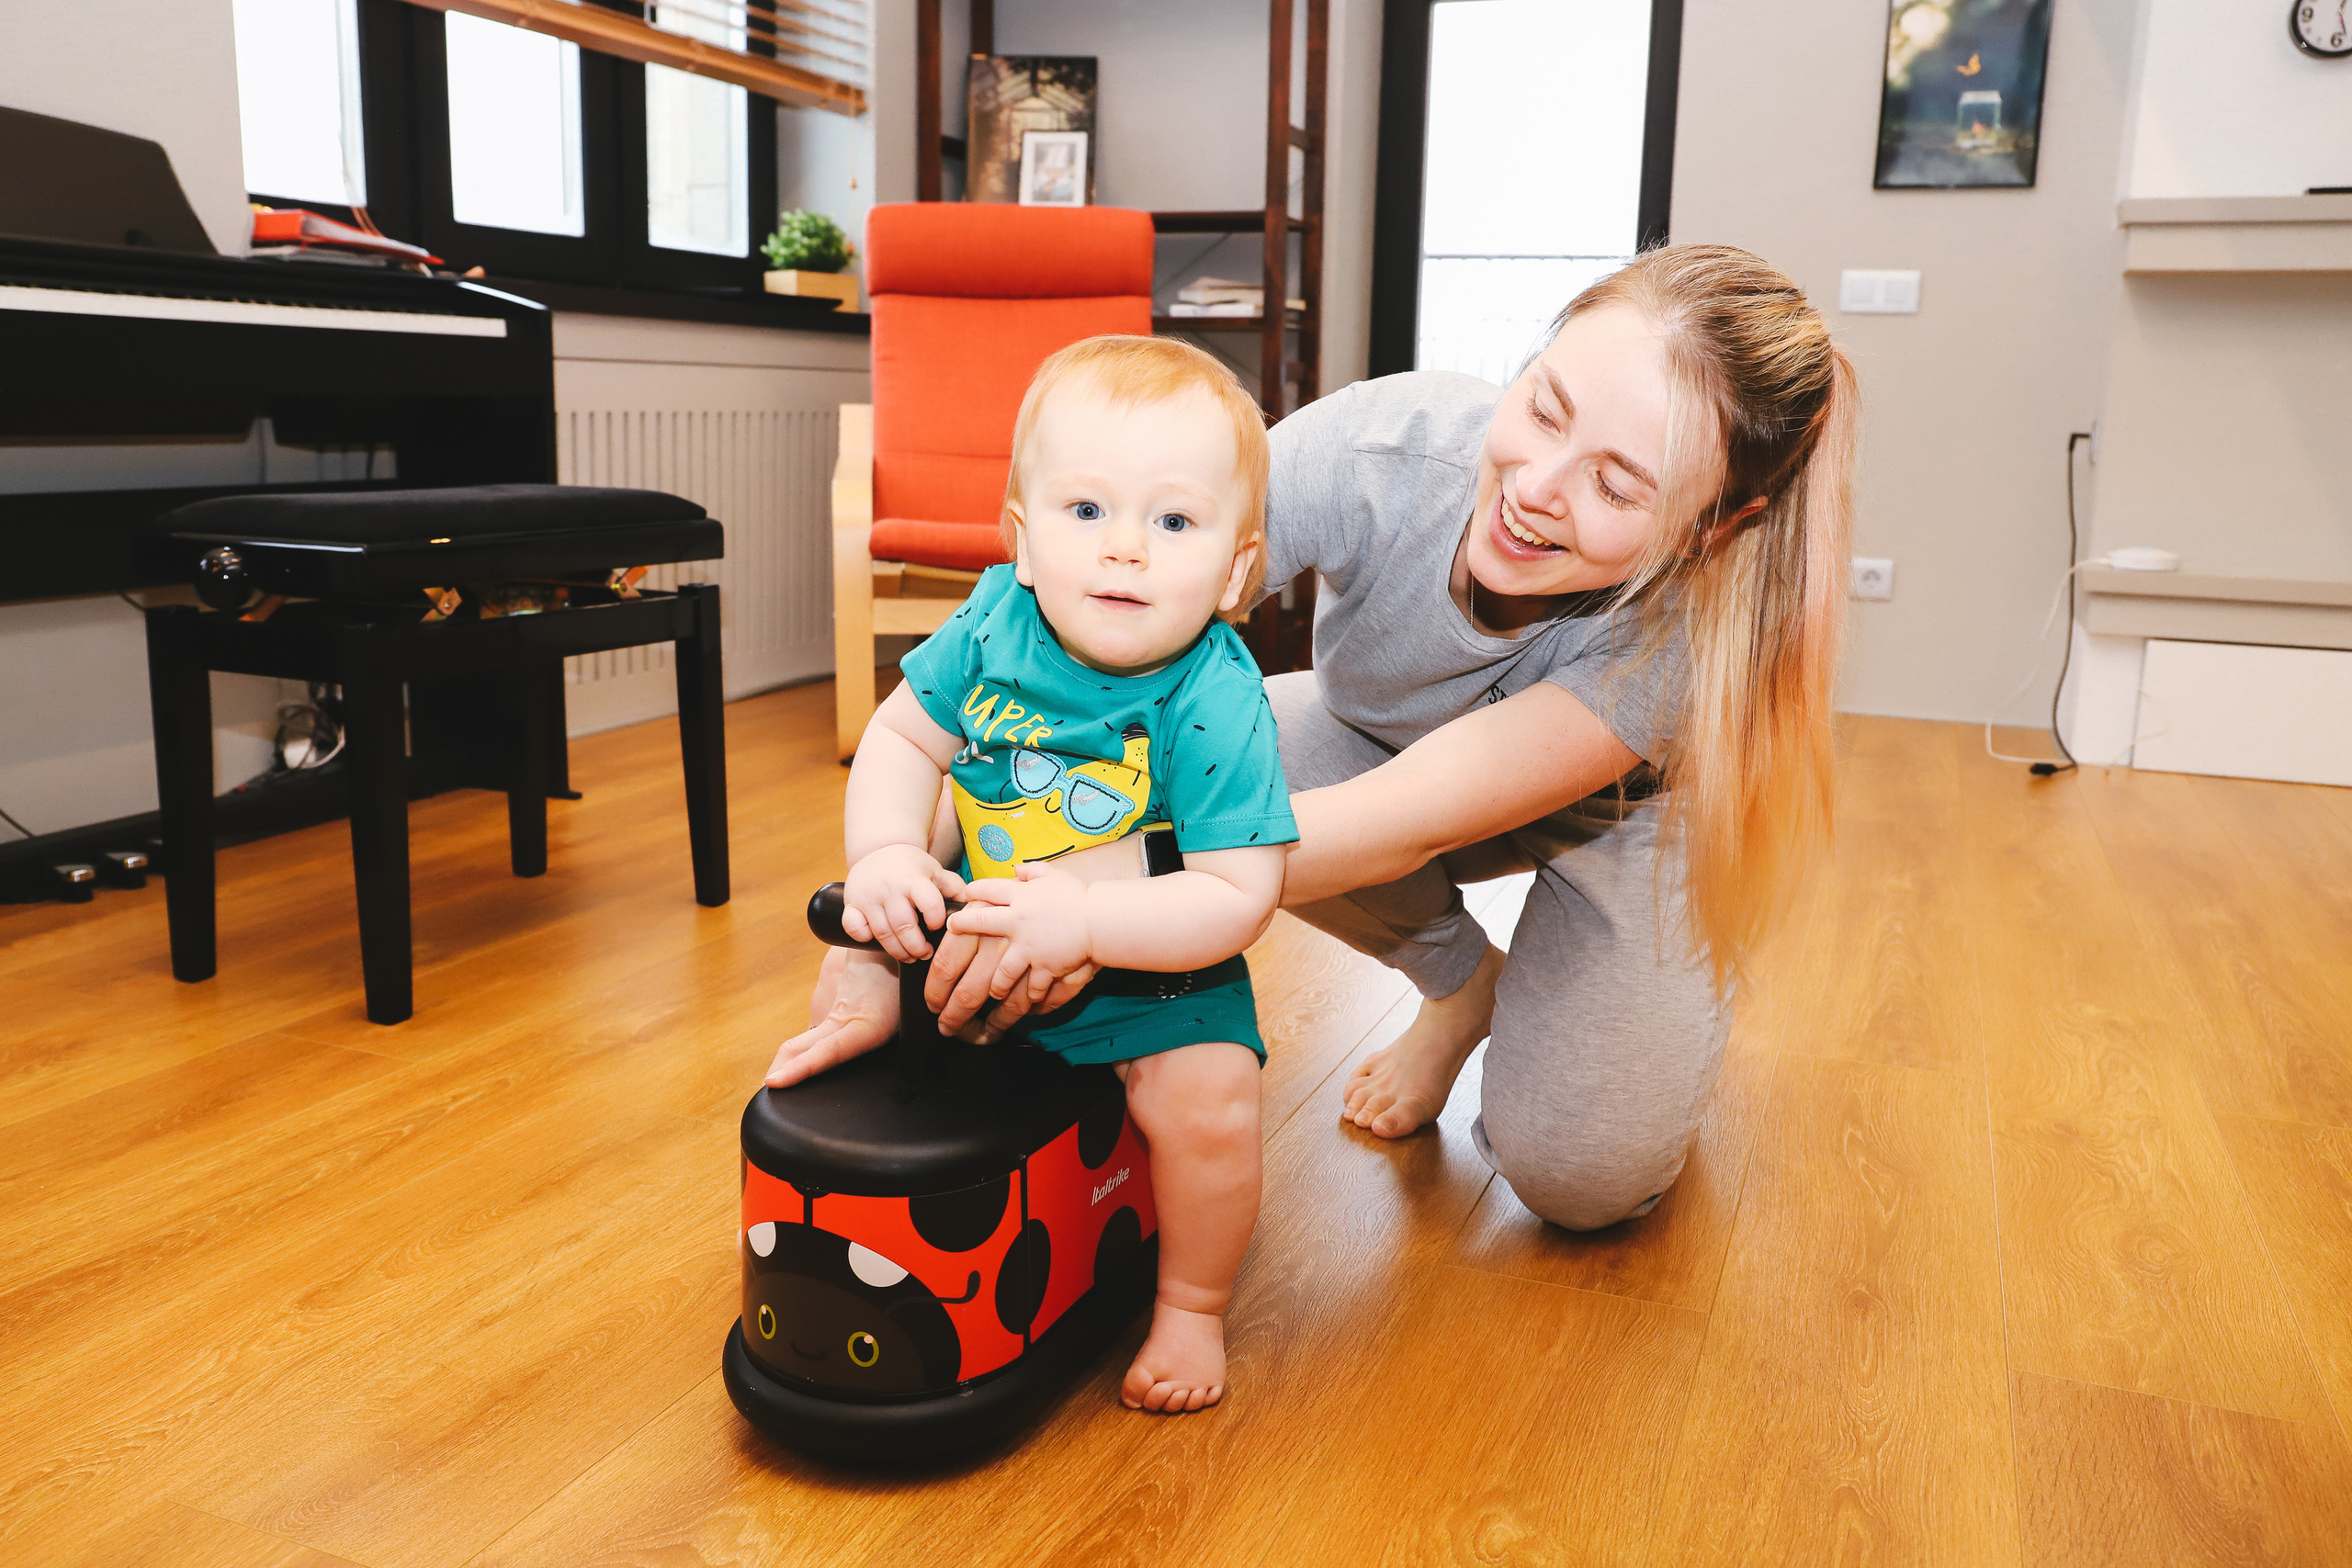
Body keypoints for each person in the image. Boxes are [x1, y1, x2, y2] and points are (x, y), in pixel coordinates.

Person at [776, 242, 1853, 1242]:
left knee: (1579, 1176)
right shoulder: (1381, 451)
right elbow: (1018, 686)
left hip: (1618, 827)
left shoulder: (1685, 636)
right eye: (1543, 407)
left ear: (1714, 528)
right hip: (1368, 744)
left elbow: (1400, 821)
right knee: (1214, 763)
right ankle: (1461, 985)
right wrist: (878, 937)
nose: (1534, 489)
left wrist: (1084, 897)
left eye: (1616, 485)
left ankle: (1641, 1021)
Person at [770, 335, 1296, 1414]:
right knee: (866, 938)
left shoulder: (1216, 696)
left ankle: (1191, 1305)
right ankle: (863, 1021)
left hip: (1152, 971)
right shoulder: (992, 620)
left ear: (1236, 571)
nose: (1125, 551)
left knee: (1211, 1105)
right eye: (1087, 510)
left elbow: (1237, 895)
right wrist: (885, 854)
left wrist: (1093, 923)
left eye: (1174, 522)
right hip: (980, 933)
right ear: (1020, 540)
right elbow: (902, 737)